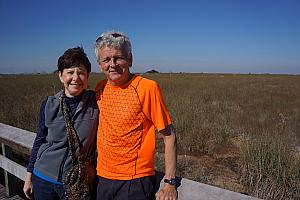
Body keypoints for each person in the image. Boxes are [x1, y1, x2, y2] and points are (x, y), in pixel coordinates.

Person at [94, 31, 177, 200]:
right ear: (99, 64)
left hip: (134, 181)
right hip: (102, 176)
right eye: (106, 60)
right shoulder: (100, 88)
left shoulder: (147, 88)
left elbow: (169, 136)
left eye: (118, 58)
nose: (112, 64)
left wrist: (170, 182)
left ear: (130, 59)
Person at [23, 47, 99, 200]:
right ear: (60, 76)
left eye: (81, 73)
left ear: (88, 76)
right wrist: (29, 176)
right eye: (70, 72)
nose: (76, 78)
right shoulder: (49, 104)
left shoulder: (97, 102)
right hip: (43, 177)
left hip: (76, 181)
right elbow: (40, 139)